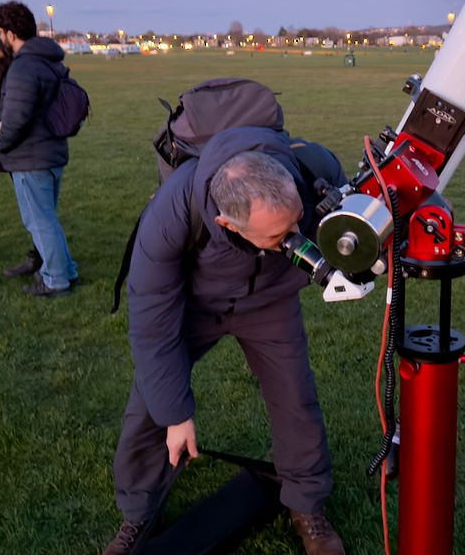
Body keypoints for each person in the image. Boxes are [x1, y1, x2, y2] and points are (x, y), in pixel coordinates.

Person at [105, 127, 346, 555]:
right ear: (226, 223)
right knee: (152, 401)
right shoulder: (169, 216)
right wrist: (176, 414)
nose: (293, 240)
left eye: (295, 223)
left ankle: (306, 505)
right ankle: (139, 512)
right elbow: (151, 326)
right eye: (278, 237)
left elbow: (379, 202)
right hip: (195, 306)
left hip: (271, 302)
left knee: (296, 398)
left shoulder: (314, 170)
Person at [0, 0, 78, 297]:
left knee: (40, 222)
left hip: (32, 157)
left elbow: (16, 120)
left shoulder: (24, 66)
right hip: (51, 152)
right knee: (47, 219)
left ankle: (55, 280)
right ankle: (66, 270)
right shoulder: (47, 59)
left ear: (8, 33)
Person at [0, 35, 42, 280]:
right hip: (18, 146)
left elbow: (18, 116)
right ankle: (43, 259)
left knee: (39, 215)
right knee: (35, 213)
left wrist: (0, 144)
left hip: (26, 148)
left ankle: (54, 270)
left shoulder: (22, 69)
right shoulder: (8, 68)